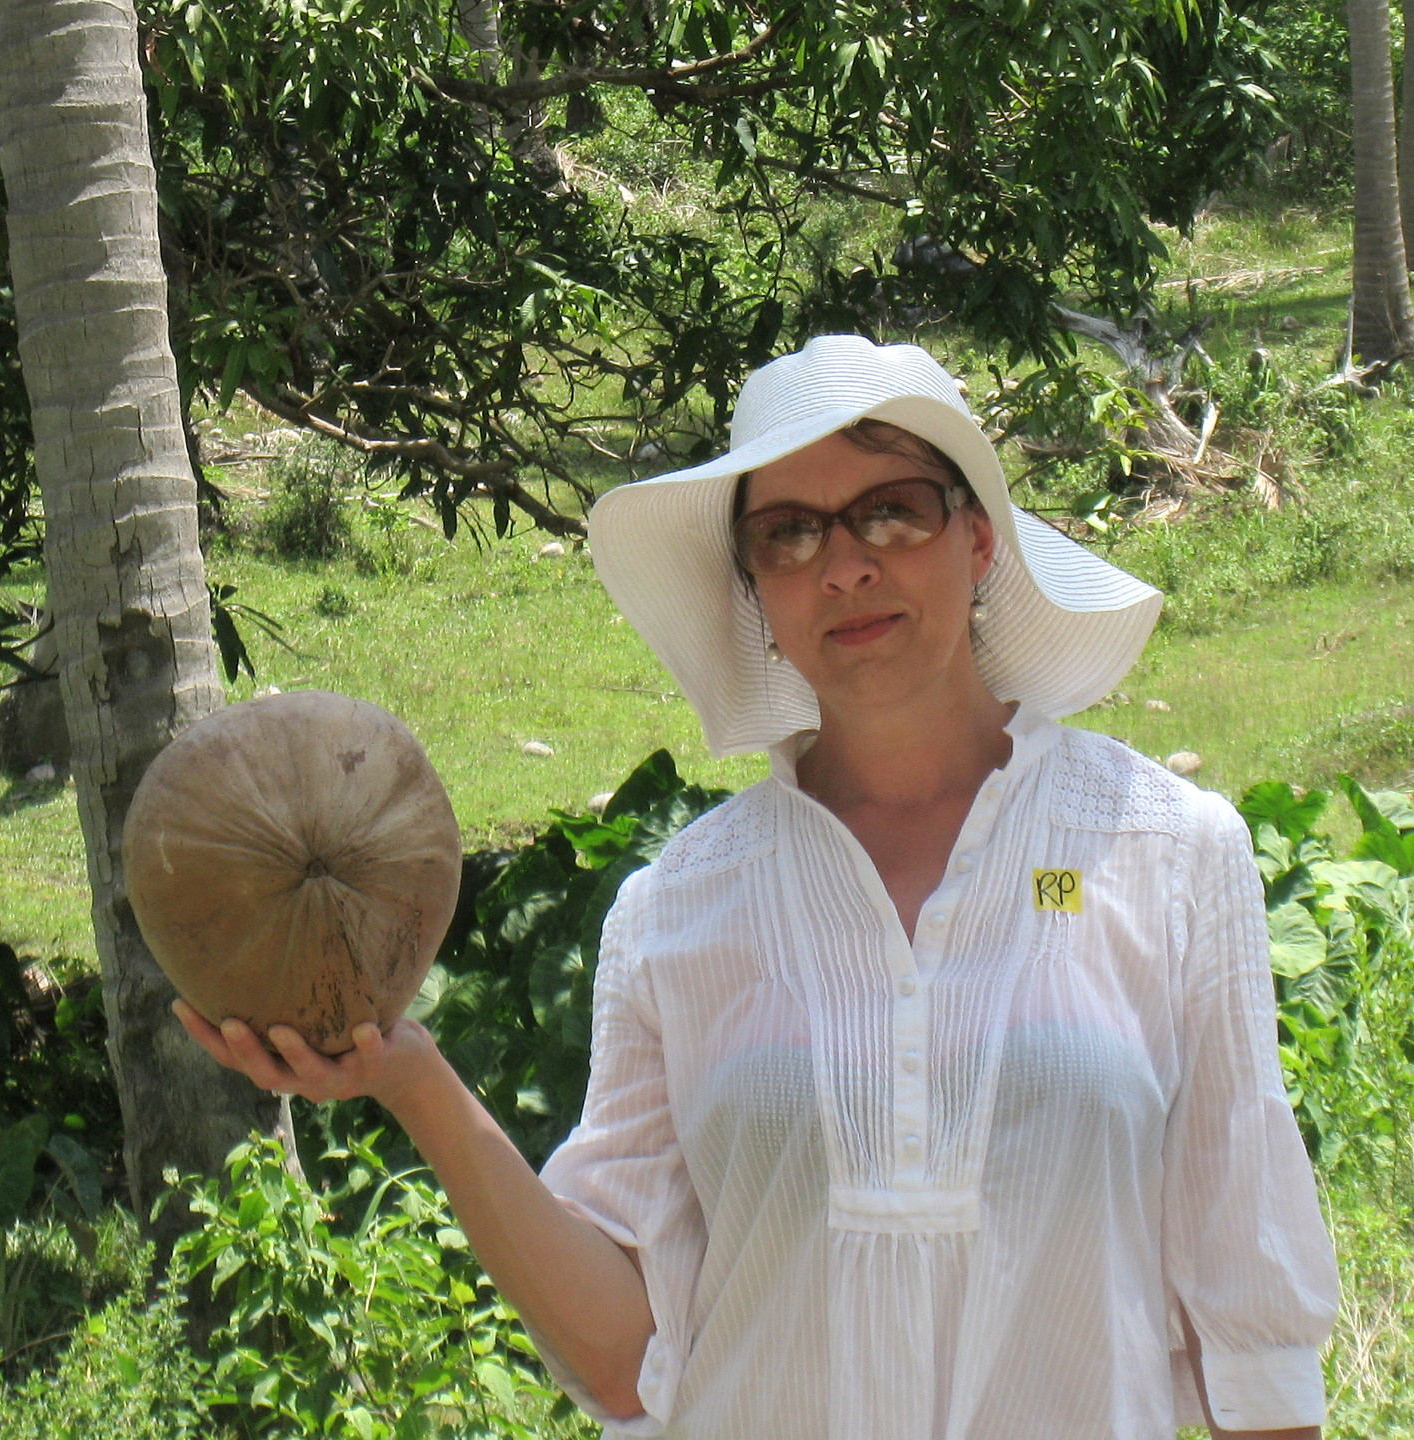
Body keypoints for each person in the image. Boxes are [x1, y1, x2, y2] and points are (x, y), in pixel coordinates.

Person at [174, 335, 1341, 1440]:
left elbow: (1259, 1339)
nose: (846, 565)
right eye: (788, 534)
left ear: (980, 539)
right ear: (756, 595)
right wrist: (412, 1080)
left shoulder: (1167, 851)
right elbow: (627, 1358)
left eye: (893, 509)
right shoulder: (680, 909)